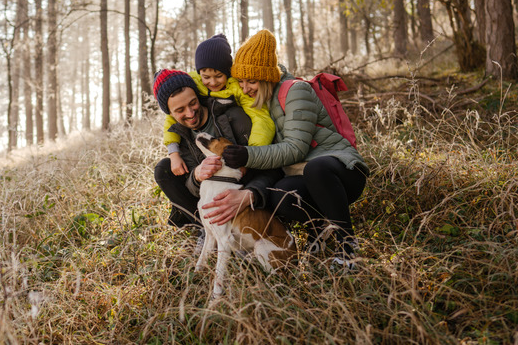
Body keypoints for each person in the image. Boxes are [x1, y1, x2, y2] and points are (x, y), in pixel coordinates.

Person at [211, 29, 369, 268]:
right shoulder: (261, 104)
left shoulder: (296, 91)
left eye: (251, 81)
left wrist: (248, 155)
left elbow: (295, 149)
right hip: (307, 176)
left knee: (317, 168)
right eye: (241, 81)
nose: (245, 88)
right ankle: (319, 232)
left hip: (341, 172)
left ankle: (348, 248)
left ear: (267, 78)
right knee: (280, 195)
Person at [152, 68, 282, 234]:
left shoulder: (234, 117)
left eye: (193, 103)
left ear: (198, 96)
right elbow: (191, 189)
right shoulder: (181, 137)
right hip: (211, 200)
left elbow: (273, 167)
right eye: (180, 110)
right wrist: (197, 175)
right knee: (163, 168)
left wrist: (251, 194)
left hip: (248, 198)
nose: (190, 113)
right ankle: (205, 231)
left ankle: (242, 231)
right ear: (169, 114)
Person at [162, 34, 275, 176]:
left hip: (233, 137)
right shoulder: (192, 83)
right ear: (199, 73)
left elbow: (261, 118)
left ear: (228, 72)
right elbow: (171, 117)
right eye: (207, 77)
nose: (213, 82)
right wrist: (173, 152)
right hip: (204, 142)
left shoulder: (237, 88)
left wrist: (250, 155)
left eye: (219, 76)